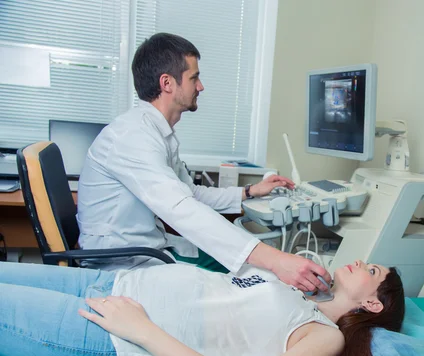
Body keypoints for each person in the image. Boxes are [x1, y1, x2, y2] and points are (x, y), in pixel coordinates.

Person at [76, 32, 330, 293]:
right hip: (123, 265)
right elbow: (181, 208)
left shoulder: (157, 133)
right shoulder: (133, 137)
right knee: (255, 285)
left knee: (258, 274)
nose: (201, 86)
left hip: (151, 249)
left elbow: (191, 194)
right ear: (167, 83)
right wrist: (277, 260)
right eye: (194, 78)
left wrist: (248, 192)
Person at [0, 259, 404, 356]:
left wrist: (140, 329)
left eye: (371, 271)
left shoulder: (323, 335)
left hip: (109, 337)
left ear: (372, 303)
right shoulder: (302, 292)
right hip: (110, 284)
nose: (359, 262)